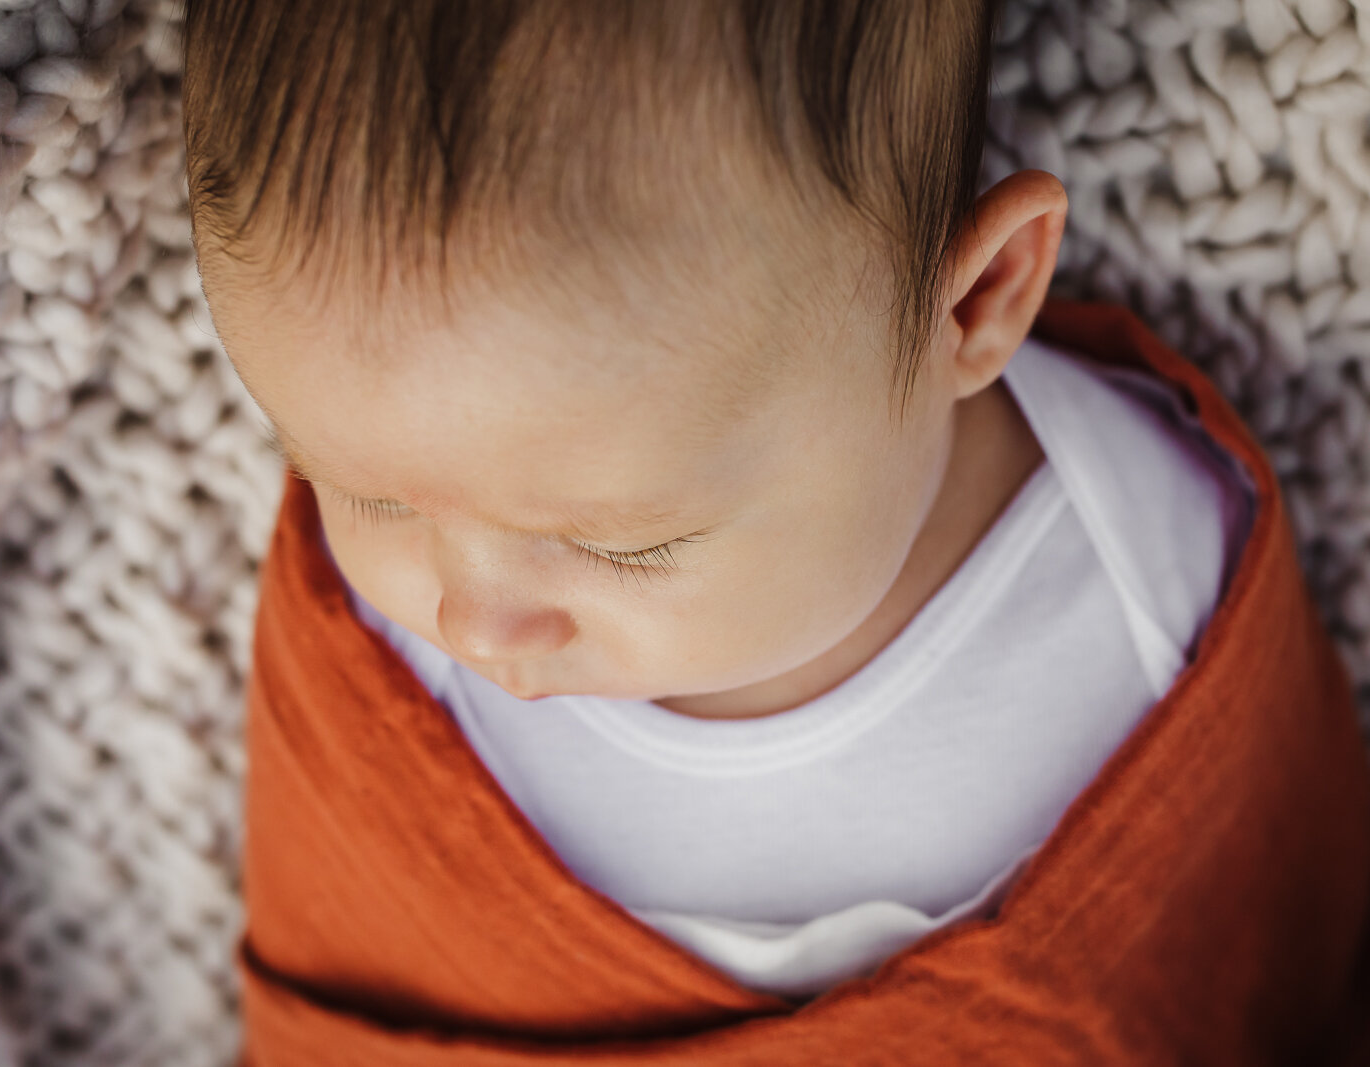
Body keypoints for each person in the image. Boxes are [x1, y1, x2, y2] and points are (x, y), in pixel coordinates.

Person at [179, 1, 1370, 1062]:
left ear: (974, 303)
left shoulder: (1148, 586)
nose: (472, 620)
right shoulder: (381, 651)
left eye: (624, 541)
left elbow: (1265, 958)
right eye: (362, 489)